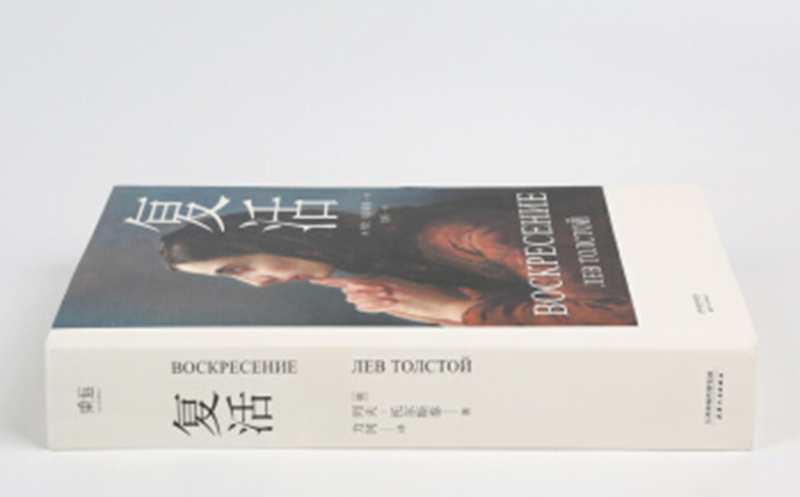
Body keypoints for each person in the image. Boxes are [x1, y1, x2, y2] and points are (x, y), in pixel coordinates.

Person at [159, 197, 635, 326]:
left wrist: (449, 310)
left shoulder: (464, 237)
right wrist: (418, 306)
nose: (257, 284)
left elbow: (619, 314)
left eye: (238, 268)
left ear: (274, 236)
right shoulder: (396, 260)